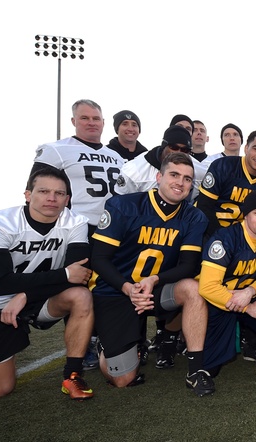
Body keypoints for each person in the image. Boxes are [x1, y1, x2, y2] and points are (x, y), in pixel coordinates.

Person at [0, 167, 95, 399]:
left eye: (59, 193)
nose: (52, 198)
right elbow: (3, 284)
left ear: (67, 199)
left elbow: (77, 276)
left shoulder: (75, 222)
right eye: (44, 191)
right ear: (28, 195)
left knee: (81, 295)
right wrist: (63, 275)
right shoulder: (0, 222)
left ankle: (73, 375)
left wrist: (26, 294)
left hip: (40, 299)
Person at [89, 153, 209, 393]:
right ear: (159, 177)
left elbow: (188, 266)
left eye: (187, 179)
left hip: (155, 289)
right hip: (116, 290)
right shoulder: (124, 206)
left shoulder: (194, 216)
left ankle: (196, 370)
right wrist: (127, 288)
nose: (180, 183)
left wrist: (154, 279)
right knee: (123, 380)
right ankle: (106, 345)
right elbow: (99, 259)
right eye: (174, 175)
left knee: (194, 288)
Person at [197, 190, 256, 385]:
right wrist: (248, 308)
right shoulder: (226, 238)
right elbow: (207, 287)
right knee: (211, 367)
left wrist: (249, 293)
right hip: (219, 302)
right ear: (246, 214)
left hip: (246, 296)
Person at [32, 99, 123, 233]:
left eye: (96, 118)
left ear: (103, 122)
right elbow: (34, 190)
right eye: (85, 118)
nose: (91, 123)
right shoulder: (56, 149)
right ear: (74, 121)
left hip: (113, 226)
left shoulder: (117, 156)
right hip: (75, 226)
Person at [197, 130, 256, 237]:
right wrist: (220, 237)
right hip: (210, 230)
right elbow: (204, 206)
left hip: (244, 239)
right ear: (246, 148)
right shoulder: (223, 166)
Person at [115, 125, 208, 201]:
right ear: (164, 146)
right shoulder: (134, 170)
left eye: (184, 150)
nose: (178, 152)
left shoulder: (201, 172)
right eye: (174, 147)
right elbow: (120, 203)